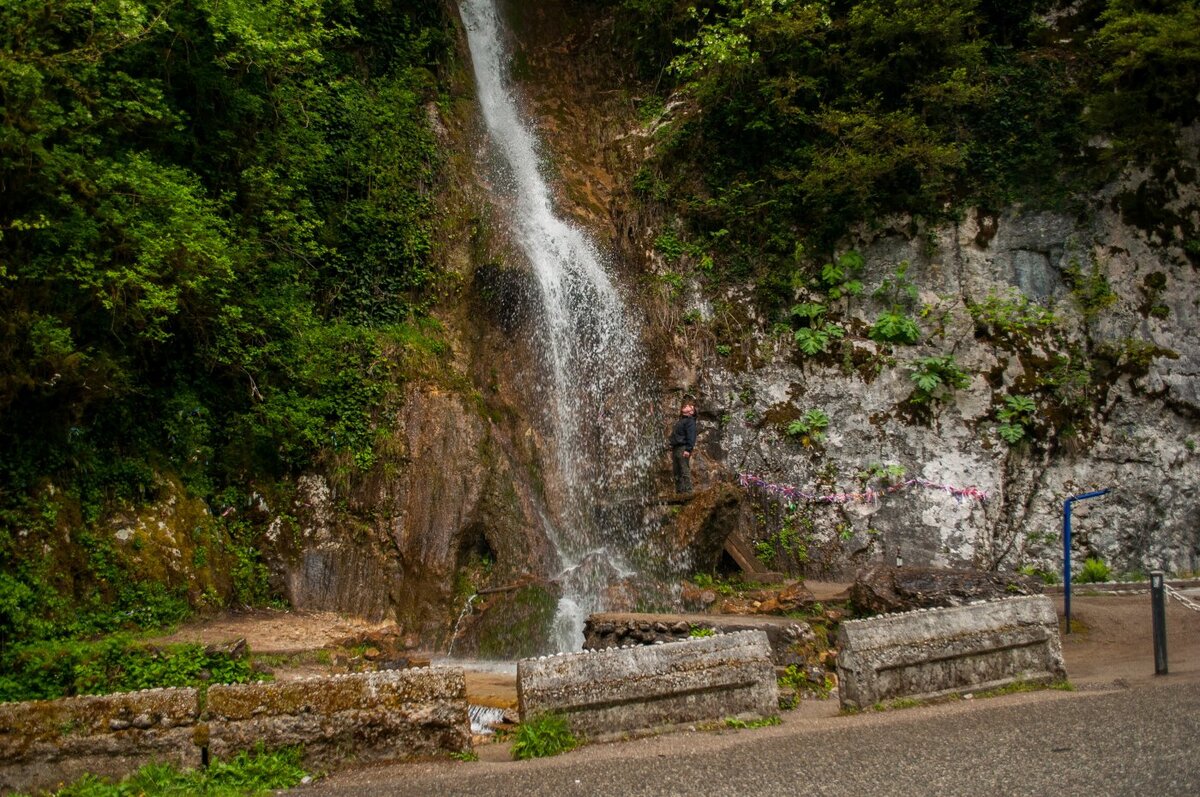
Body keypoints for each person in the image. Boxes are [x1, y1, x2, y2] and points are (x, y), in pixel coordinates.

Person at [669, 400, 697, 494]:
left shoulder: (690, 421)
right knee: (676, 471)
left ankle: (688, 492)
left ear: (692, 412)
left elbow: (691, 436)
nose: (686, 406)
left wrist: (688, 449)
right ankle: (679, 492)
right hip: (676, 448)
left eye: (689, 406)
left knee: (684, 469)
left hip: (683, 448)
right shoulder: (682, 421)